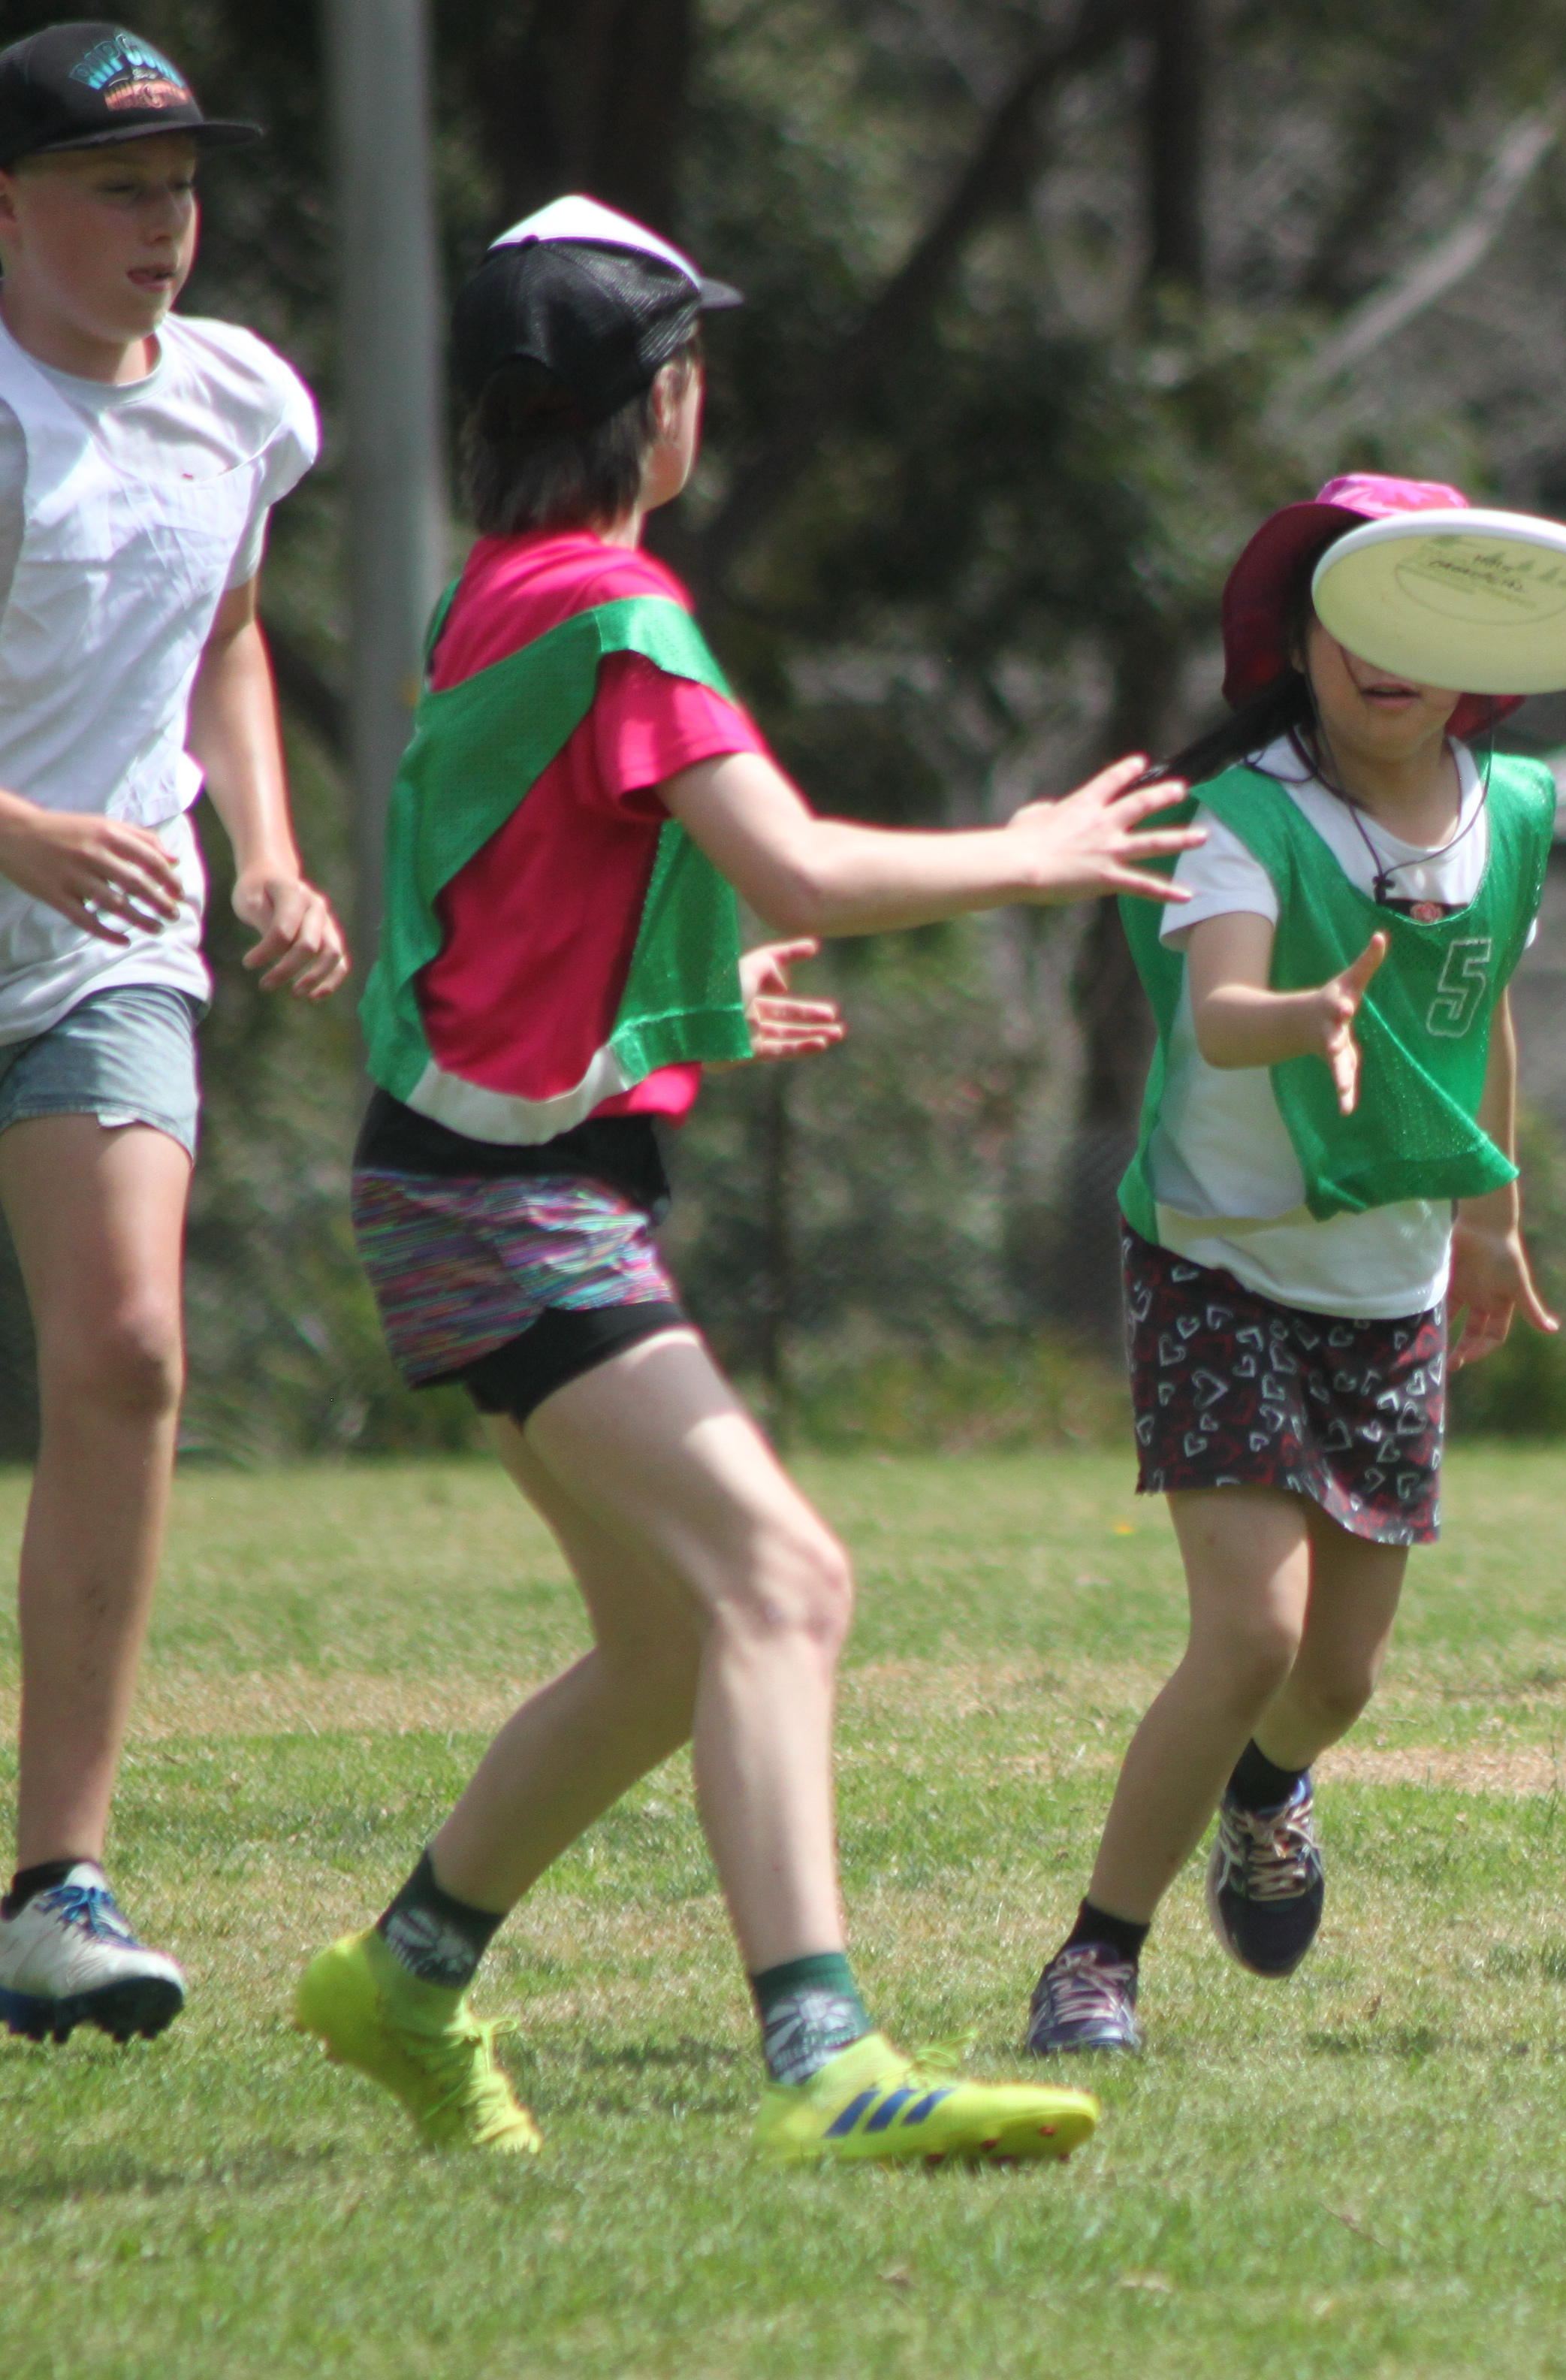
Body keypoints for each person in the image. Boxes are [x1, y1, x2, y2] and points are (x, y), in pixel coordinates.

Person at [289, 199, 1190, 2164]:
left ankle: (409, 1974)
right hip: (511, 1201)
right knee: (788, 1580)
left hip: (477, 1178)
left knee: (667, 1644)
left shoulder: (504, 592)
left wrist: (688, 993)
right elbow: (792, 859)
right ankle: (825, 2064)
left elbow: (535, 894)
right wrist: (1030, 849)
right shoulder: (620, 612)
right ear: (663, 407)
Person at [1021, 476, 1558, 2057]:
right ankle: (1095, 1961)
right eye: (1353, 613)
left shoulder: (1510, 811)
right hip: (1219, 1264)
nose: (1386, 651)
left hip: (1388, 1285)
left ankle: (1268, 1793)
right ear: (1301, 642)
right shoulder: (1246, 814)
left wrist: (1491, 1211)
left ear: (1475, 653)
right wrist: (1307, 1018)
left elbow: (1485, 1006)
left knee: (1339, 1678)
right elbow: (1217, 1013)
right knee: (1250, 1636)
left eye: (1421, 617)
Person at [0, 25, 351, 2048]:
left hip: (97, 959)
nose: (164, 223)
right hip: (38, 872)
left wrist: (273, 855)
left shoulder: (239, 401)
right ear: (11, 206)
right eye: (119, 187)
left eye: (183, 185)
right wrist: (21, 827)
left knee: (127, 1354)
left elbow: (225, 629)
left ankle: (58, 1883)